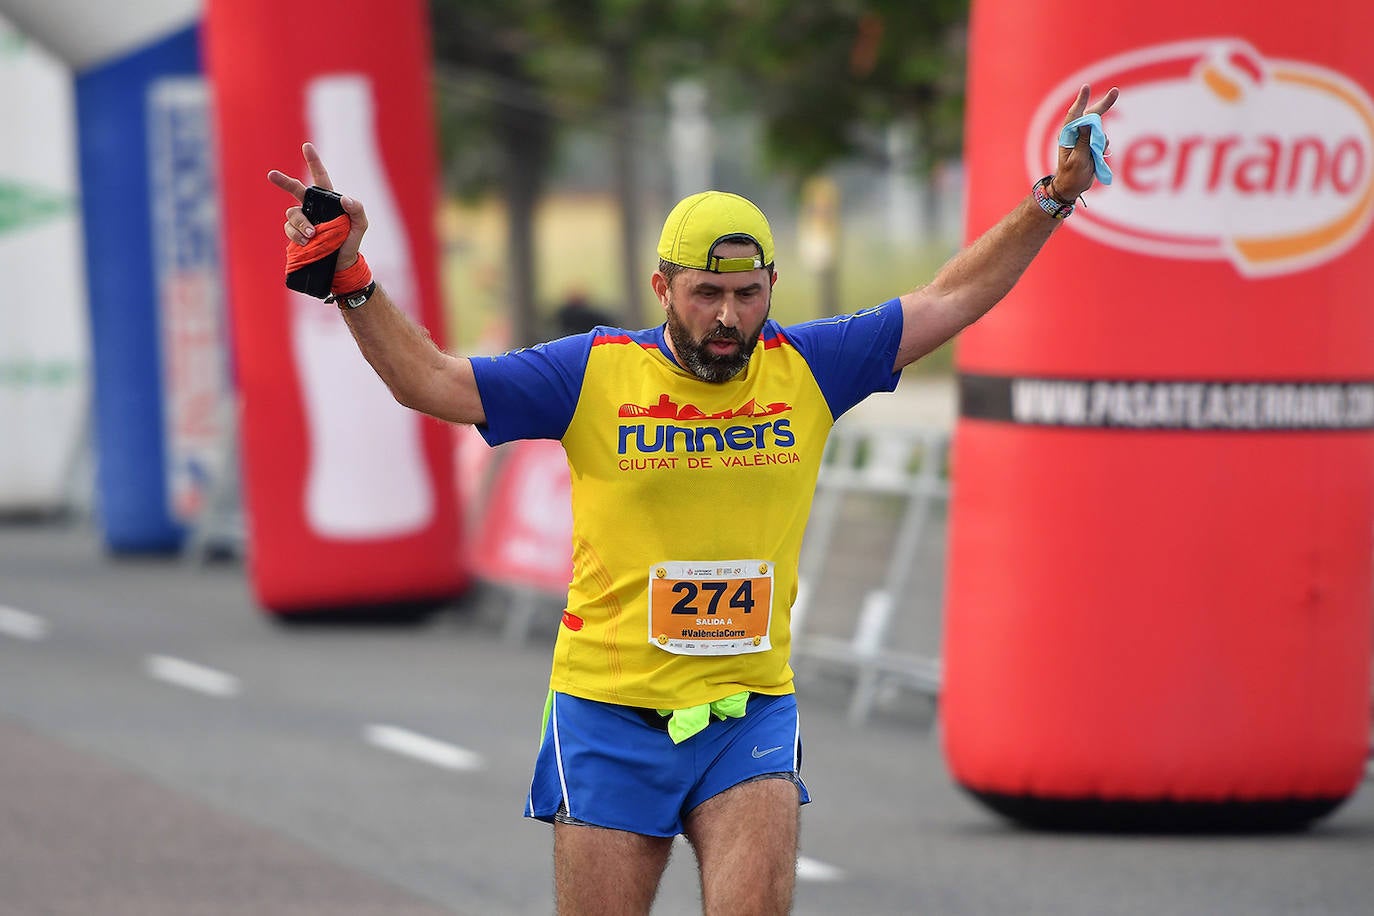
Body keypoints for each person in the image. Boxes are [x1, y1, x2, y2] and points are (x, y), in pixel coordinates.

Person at [269, 84, 1118, 916]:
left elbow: (952, 296)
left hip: (745, 711)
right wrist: (349, 272)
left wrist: (1052, 199)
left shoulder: (813, 366)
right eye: (705, 294)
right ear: (661, 287)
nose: (728, 317)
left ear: (773, 287)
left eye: (748, 296)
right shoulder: (592, 371)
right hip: (609, 713)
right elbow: (429, 381)